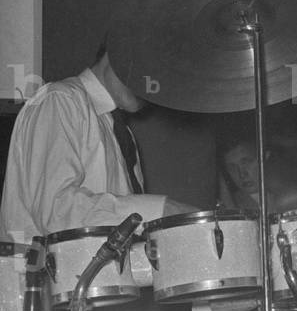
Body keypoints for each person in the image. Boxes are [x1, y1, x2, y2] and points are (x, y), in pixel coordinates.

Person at [1, 47, 193, 242]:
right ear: (119, 52)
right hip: (43, 270)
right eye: (151, 73)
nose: (153, 87)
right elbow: (55, 211)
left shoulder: (121, 132)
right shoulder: (60, 100)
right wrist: (159, 210)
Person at [217, 133, 297, 214]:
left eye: (247, 162)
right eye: (232, 168)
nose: (242, 174)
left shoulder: (293, 196)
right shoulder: (226, 206)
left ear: (265, 157)